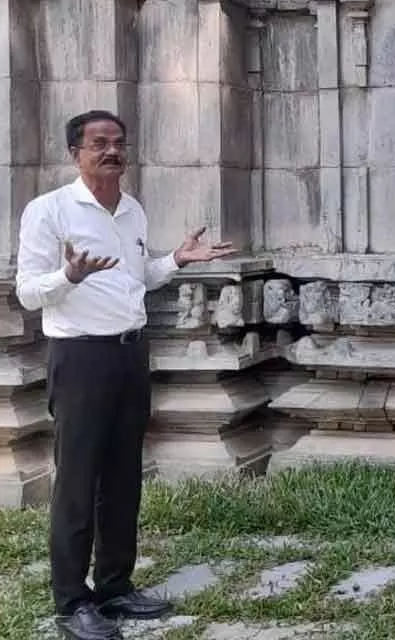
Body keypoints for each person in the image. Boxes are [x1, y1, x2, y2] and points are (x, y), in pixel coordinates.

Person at [15, 110, 237, 640]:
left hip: (130, 355)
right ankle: (72, 602)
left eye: (118, 143)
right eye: (99, 143)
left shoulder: (132, 211)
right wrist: (68, 276)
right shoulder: (50, 211)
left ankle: (115, 586)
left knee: (122, 478)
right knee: (77, 481)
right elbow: (27, 291)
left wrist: (176, 261)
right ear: (75, 153)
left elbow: (135, 279)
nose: (112, 151)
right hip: (80, 359)